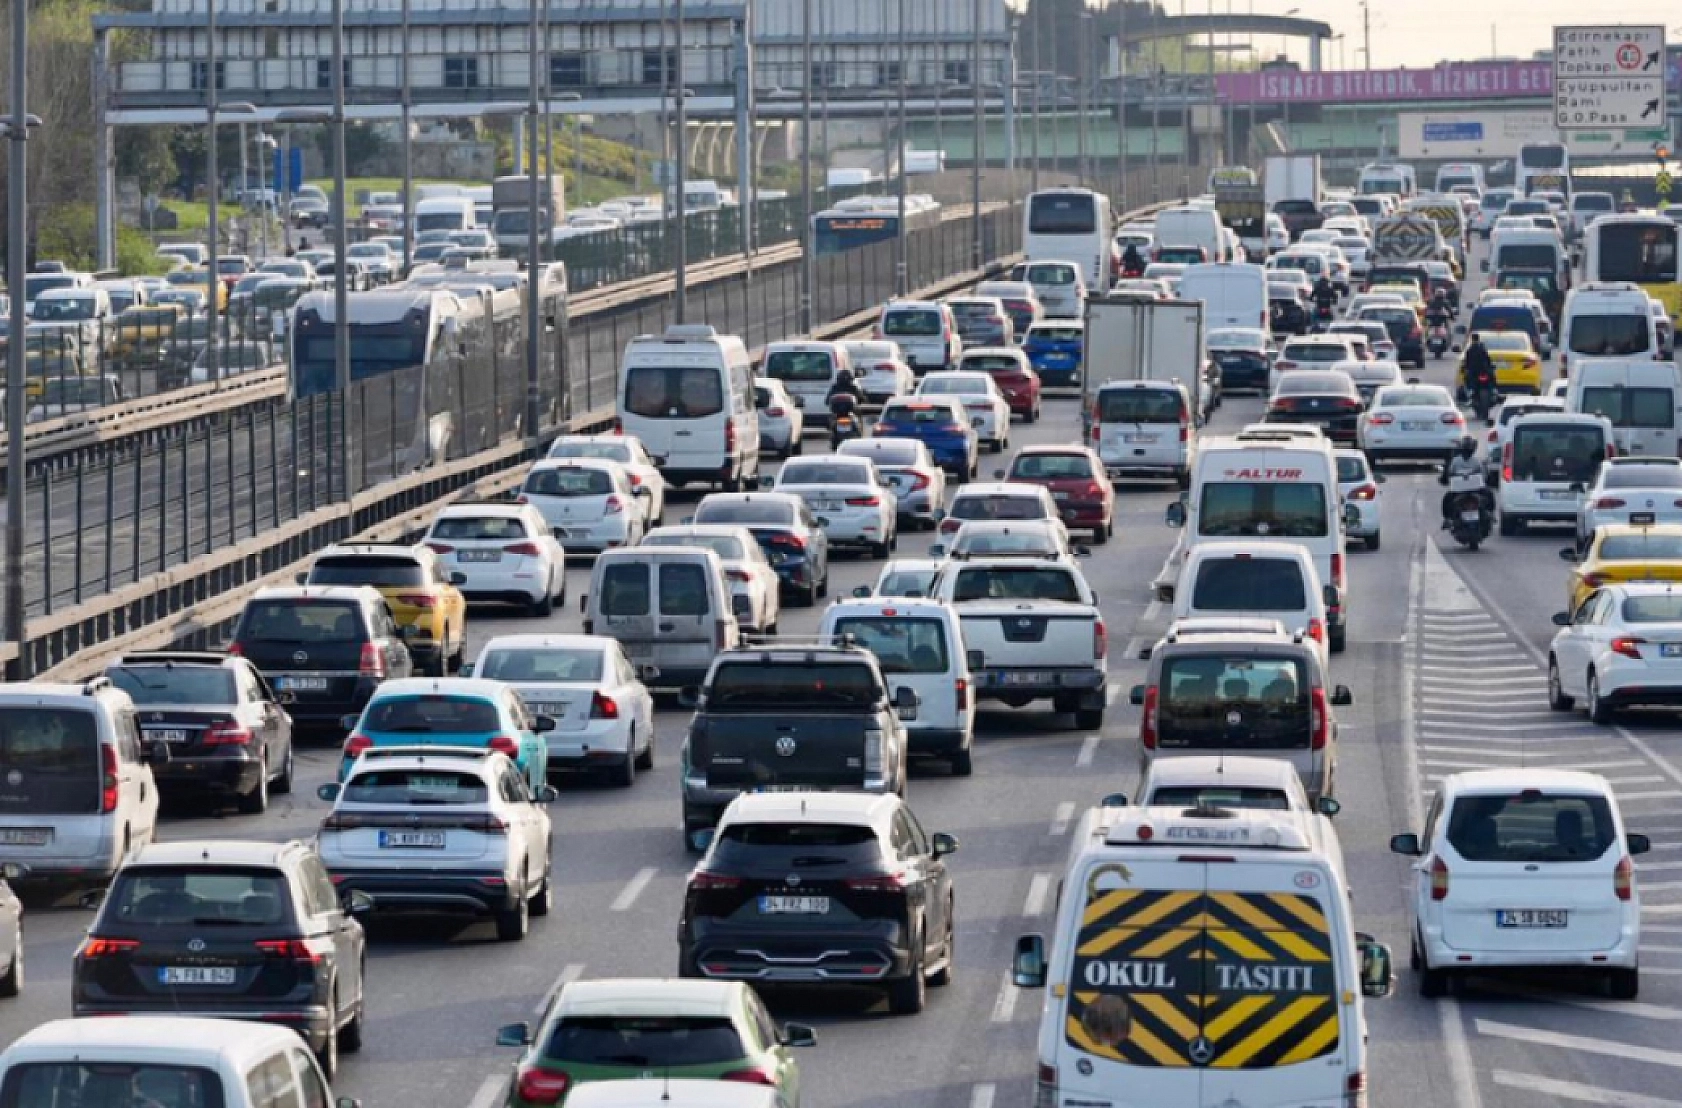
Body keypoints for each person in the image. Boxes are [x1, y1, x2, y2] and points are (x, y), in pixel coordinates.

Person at [1439, 435, 1492, 529]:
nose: (1467, 452)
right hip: (1459, 490)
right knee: (1447, 499)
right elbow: (1450, 473)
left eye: (1469, 449)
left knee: (1489, 494)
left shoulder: (1476, 461)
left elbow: (1483, 474)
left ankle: (1490, 513)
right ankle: (1448, 519)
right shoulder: (1456, 461)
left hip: (1475, 489)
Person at [1461, 333, 1497, 416]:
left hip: (1475, 372)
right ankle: (1494, 391)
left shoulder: (1470, 349)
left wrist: (1465, 368)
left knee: (1468, 381)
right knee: (1492, 378)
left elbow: (1467, 361)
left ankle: (1471, 392)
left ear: (1472, 339)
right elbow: (1488, 360)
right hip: (1484, 371)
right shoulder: (1482, 348)